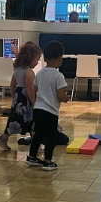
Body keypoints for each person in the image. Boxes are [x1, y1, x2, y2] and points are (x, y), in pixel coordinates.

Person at [26, 40, 69, 171]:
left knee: (38, 134)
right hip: (50, 112)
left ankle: (32, 157)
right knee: (51, 137)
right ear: (60, 58)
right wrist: (65, 98)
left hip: (38, 109)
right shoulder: (59, 76)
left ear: (44, 58)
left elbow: (34, 89)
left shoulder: (40, 73)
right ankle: (48, 161)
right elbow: (60, 95)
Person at [0, 42, 42, 150]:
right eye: (37, 59)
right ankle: (35, 143)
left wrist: (15, 97)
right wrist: (34, 102)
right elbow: (30, 89)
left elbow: (12, 85)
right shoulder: (29, 72)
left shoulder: (17, 70)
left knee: (15, 120)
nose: (37, 62)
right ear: (30, 58)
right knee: (32, 121)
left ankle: (4, 137)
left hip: (18, 98)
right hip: (26, 100)